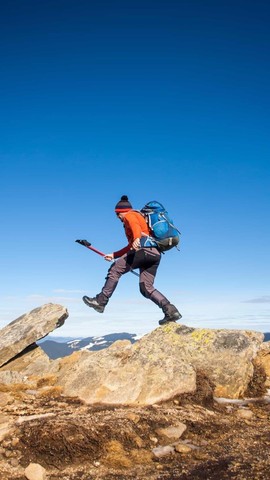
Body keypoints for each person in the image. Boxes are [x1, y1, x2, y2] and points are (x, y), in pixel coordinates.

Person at [83, 195, 181, 325]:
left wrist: (136, 239)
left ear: (120, 212)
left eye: (117, 215)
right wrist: (114, 255)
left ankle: (100, 301)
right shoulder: (139, 217)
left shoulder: (130, 215)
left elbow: (136, 230)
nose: (118, 218)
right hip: (155, 254)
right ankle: (171, 311)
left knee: (115, 270)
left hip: (143, 251)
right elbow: (131, 245)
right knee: (146, 287)